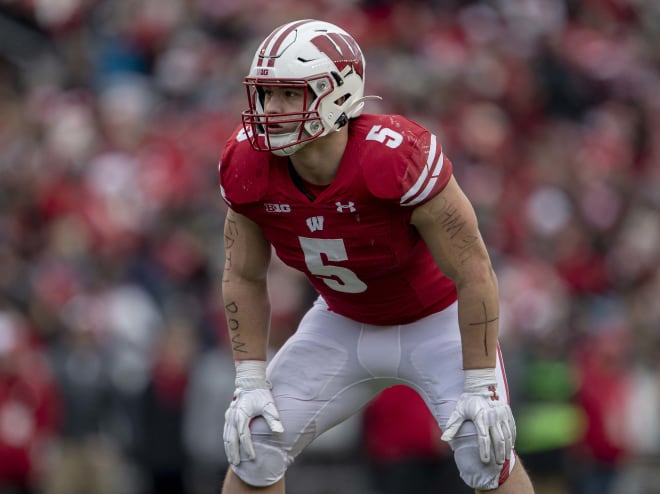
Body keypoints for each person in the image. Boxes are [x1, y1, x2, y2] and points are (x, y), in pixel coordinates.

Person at [218, 19, 535, 494]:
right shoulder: (248, 164)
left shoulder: (394, 157)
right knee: (254, 440)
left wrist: (480, 385)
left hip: (436, 320)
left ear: (338, 96)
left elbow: (474, 271)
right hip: (342, 318)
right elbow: (243, 275)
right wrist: (249, 377)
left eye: (288, 94)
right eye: (266, 94)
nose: (272, 109)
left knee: (484, 445)